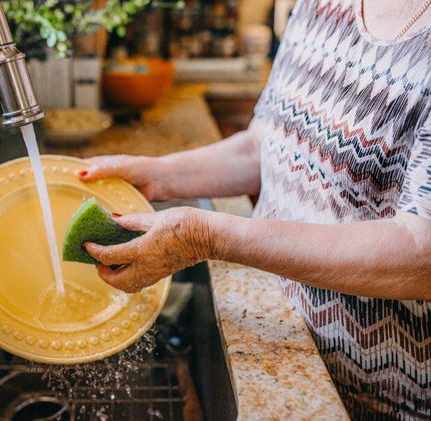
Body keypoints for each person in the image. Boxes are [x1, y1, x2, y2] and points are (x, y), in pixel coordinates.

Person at [78, 0, 431, 418]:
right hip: (279, 333)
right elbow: (263, 145)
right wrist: (158, 175)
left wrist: (208, 236)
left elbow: (419, 251)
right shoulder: (319, 5)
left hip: (381, 396)